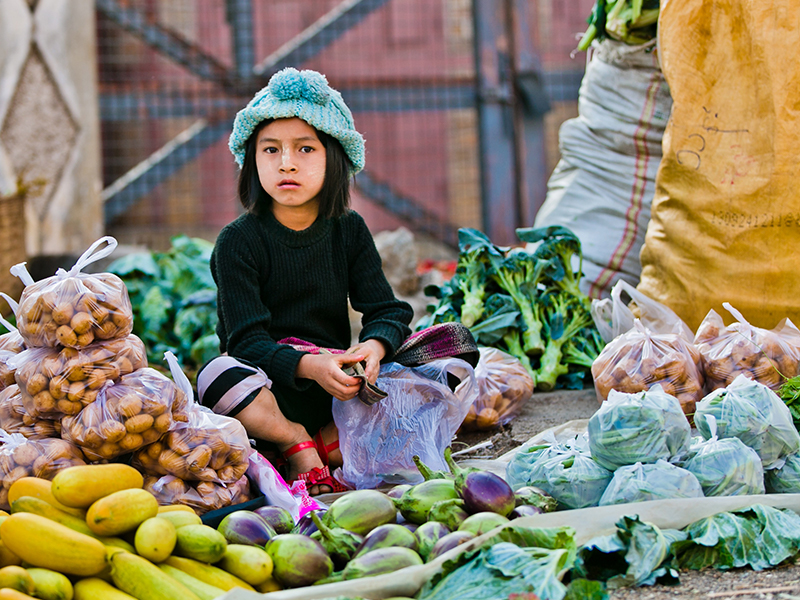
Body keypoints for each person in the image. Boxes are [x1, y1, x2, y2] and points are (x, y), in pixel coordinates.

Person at [197, 67, 414, 495]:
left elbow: (388, 311)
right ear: (251, 160)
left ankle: (332, 439)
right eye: (271, 150)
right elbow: (245, 343)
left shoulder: (348, 229)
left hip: (339, 388)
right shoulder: (238, 241)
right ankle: (294, 440)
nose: (287, 163)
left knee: (435, 360)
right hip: (267, 392)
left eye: (305, 149)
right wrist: (307, 366)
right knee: (216, 374)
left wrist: (372, 348)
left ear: (334, 158)